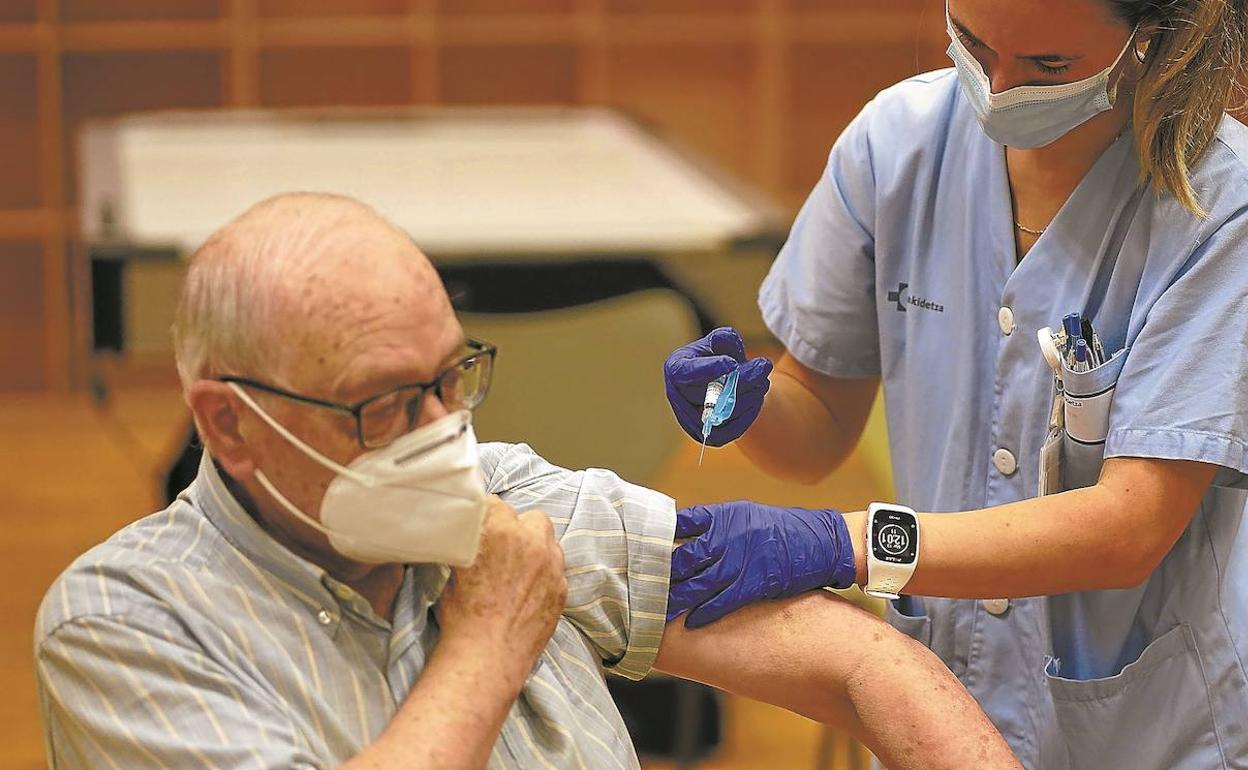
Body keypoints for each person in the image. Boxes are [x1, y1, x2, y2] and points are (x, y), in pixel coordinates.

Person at [33, 193, 1020, 770]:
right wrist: (493, 640)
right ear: (230, 424)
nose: (444, 433)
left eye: (451, 376)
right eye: (383, 403)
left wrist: (844, 543)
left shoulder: (506, 497)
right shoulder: (122, 623)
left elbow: (860, 661)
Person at [661, 0, 1248, 767]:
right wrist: (749, 402)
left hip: (1141, 730)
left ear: (1151, 36)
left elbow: (1129, 526)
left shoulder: (1218, 206)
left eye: (1048, 69)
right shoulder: (894, 146)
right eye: (972, 45)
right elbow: (816, 430)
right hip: (932, 700)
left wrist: (847, 543)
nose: (998, 90)